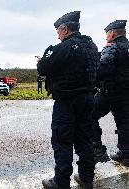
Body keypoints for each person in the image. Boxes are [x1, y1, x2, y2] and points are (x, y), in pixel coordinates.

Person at [37, 11, 99, 189]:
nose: (57, 34)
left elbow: (44, 68)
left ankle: (61, 181)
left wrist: (42, 60)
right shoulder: (91, 45)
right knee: (85, 138)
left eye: (58, 30)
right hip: (87, 98)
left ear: (65, 29)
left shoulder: (65, 47)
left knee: (62, 140)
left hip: (67, 101)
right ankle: (87, 177)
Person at [93, 20, 129, 166]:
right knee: (124, 122)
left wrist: (95, 83)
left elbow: (103, 69)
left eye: (107, 34)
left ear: (112, 33)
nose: (106, 37)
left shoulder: (111, 47)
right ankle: (125, 155)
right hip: (126, 93)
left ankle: (98, 150)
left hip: (110, 92)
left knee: (88, 115)